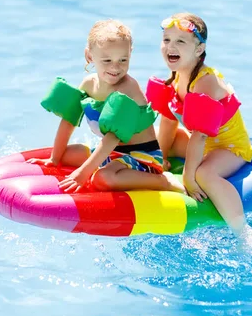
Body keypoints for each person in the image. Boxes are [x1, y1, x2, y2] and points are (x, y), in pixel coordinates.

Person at [27, 19, 184, 194]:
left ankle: (163, 181)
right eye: (107, 60)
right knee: (64, 154)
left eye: (123, 60)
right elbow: (69, 120)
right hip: (112, 154)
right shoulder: (88, 84)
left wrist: (83, 173)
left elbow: (113, 137)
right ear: (89, 56)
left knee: (102, 179)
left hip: (141, 157)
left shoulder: (128, 89)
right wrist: (54, 159)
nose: (115, 67)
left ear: (130, 54)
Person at [145, 12, 252, 246]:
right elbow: (168, 120)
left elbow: (199, 135)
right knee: (153, 137)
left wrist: (188, 177)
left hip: (229, 148)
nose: (170, 47)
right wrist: (160, 157)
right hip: (202, 143)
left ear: (199, 49)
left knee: (204, 174)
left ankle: (242, 231)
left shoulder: (205, 82)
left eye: (180, 42)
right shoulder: (176, 76)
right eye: (166, 40)